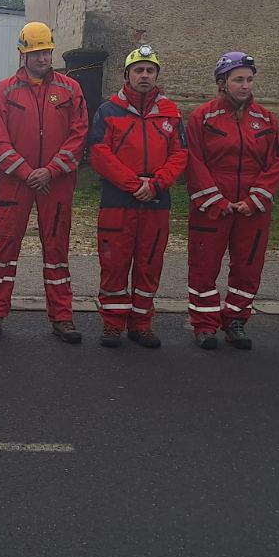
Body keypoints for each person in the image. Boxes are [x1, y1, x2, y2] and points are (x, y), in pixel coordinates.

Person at [0, 21, 88, 343]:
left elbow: (79, 134)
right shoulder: (5, 90)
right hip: (16, 183)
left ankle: (62, 317)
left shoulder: (71, 89)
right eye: (35, 52)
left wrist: (52, 170)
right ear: (23, 54)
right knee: (5, 248)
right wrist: (28, 172)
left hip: (56, 184)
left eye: (46, 51)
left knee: (57, 250)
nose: (42, 58)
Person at [89, 44, 188, 349]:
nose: (144, 75)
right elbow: (98, 153)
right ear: (127, 75)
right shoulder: (108, 110)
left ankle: (142, 324)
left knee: (149, 264)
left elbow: (180, 154)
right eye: (138, 70)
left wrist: (157, 184)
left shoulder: (171, 111)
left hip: (156, 202)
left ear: (156, 75)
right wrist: (134, 184)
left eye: (150, 70)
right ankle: (113, 324)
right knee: (114, 264)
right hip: (119, 201)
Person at [184, 51, 279, 351]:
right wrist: (216, 200)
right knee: (204, 265)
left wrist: (254, 200)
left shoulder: (266, 119)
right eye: (238, 79)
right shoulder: (203, 117)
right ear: (222, 83)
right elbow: (194, 162)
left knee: (248, 266)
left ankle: (237, 319)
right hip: (212, 208)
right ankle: (204, 324)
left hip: (252, 209)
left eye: (250, 80)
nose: (245, 86)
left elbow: (276, 163)